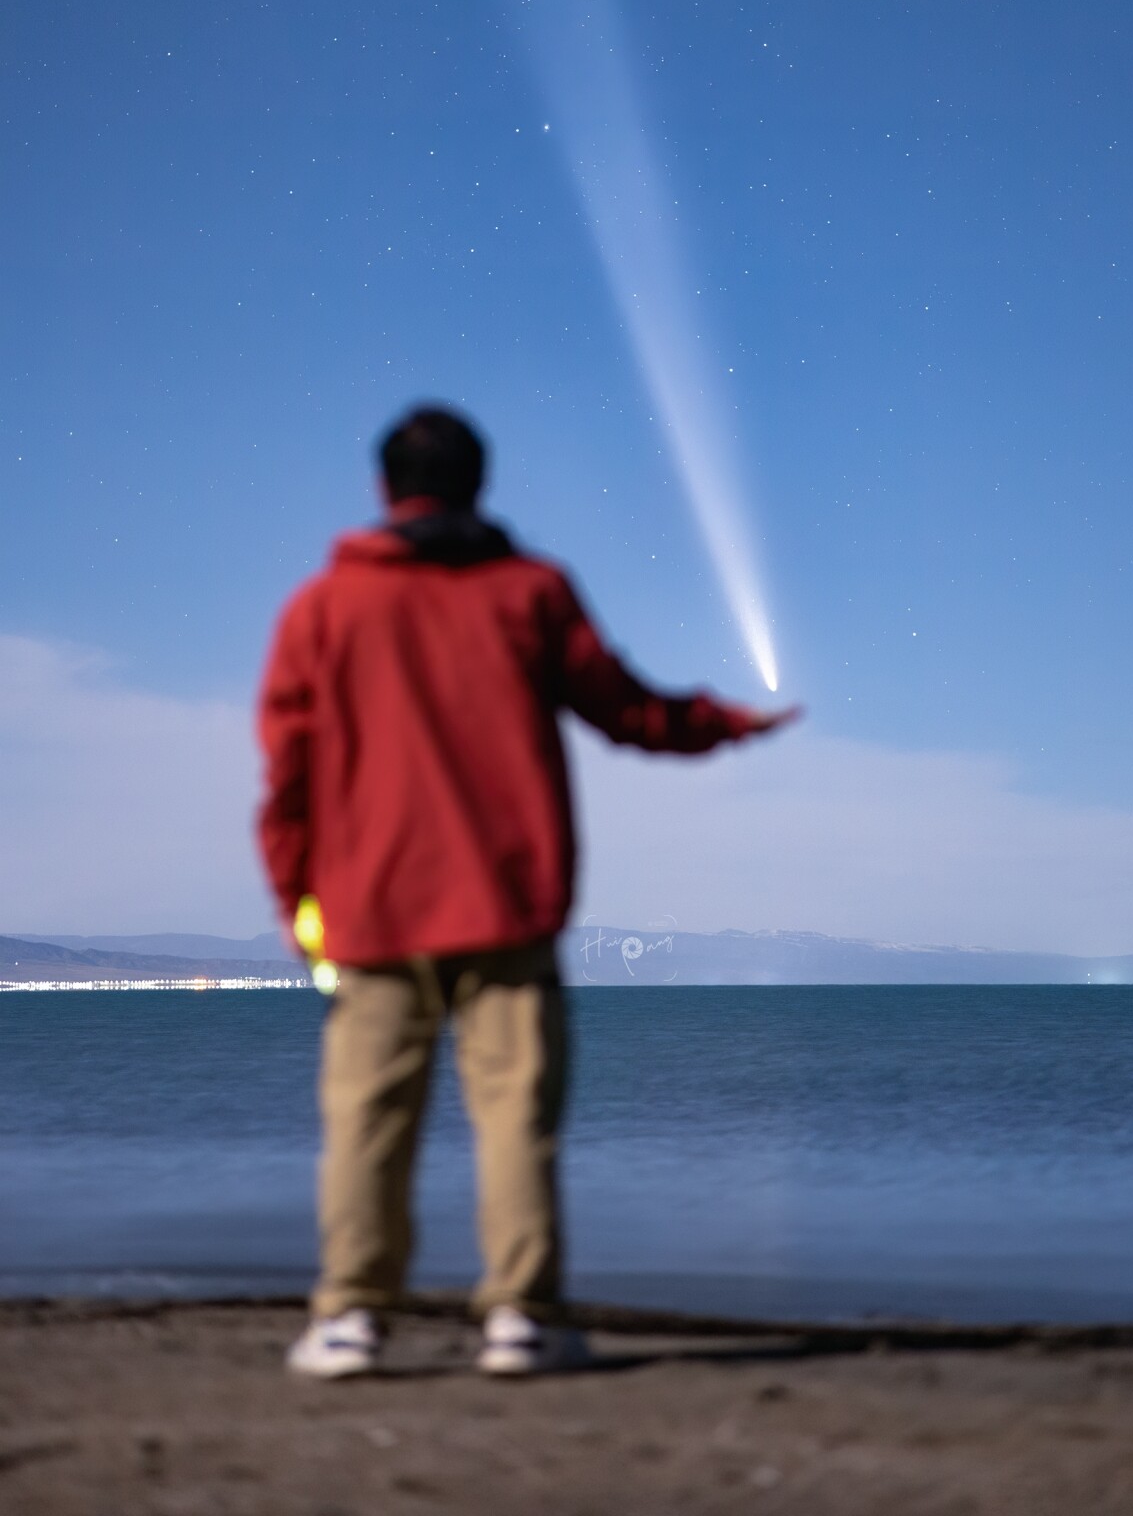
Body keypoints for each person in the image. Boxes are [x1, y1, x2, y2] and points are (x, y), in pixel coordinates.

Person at [256, 405, 797, 1378]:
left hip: (371, 910)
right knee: (515, 1118)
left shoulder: (323, 608)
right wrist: (723, 724)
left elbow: (286, 771)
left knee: (367, 1123)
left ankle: (350, 1318)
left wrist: (298, 900)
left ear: (384, 489)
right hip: (507, 905)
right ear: (479, 483)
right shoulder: (531, 593)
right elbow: (625, 709)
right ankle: (519, 1317)